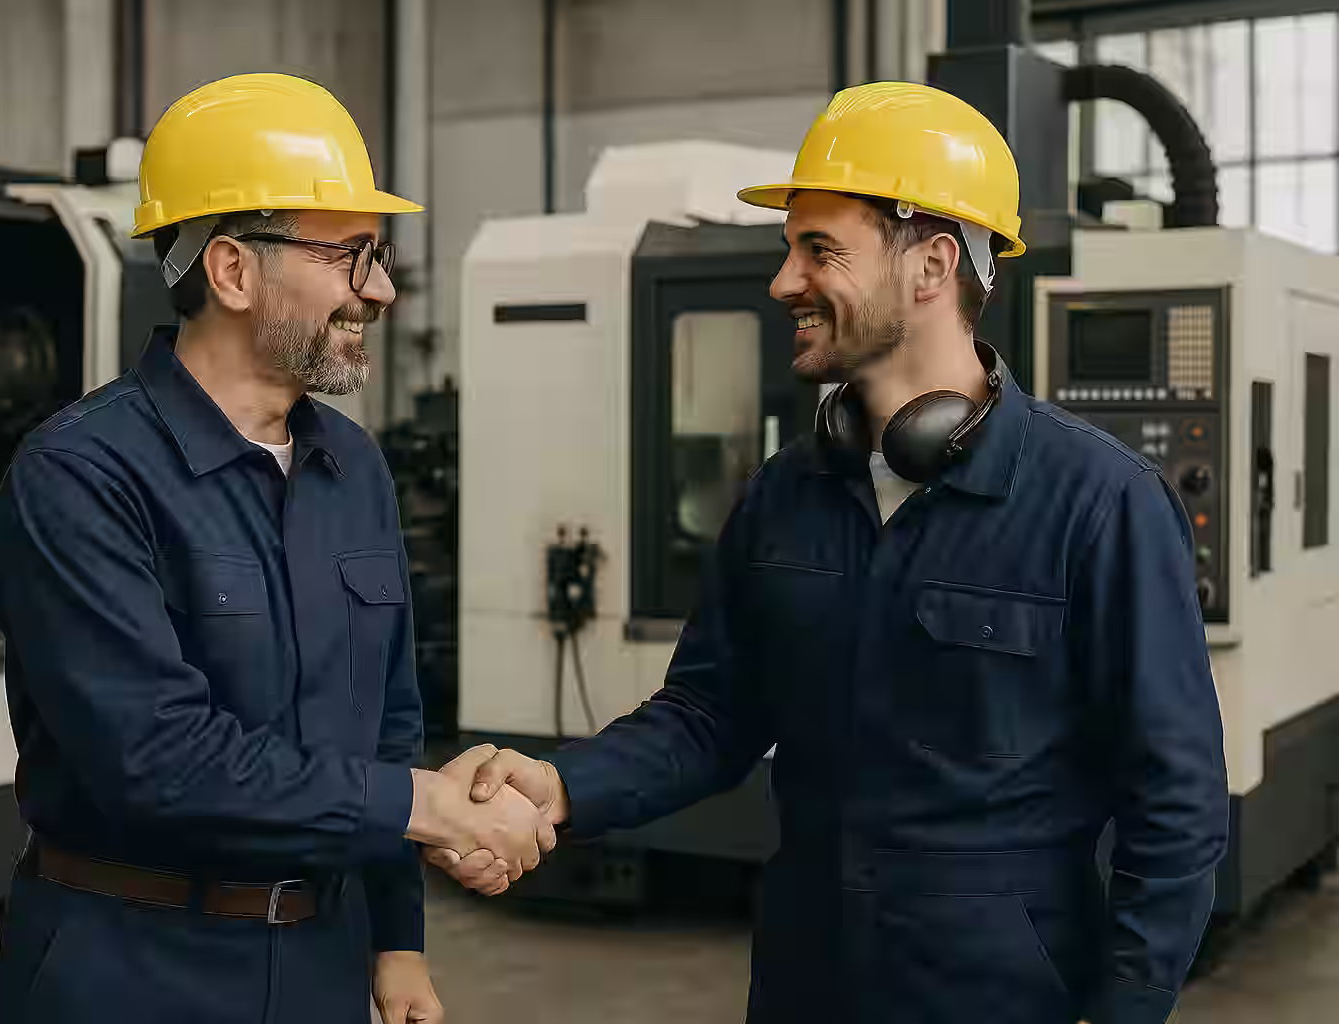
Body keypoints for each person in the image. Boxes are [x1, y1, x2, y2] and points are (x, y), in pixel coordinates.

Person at [432, 81, 1229, 1024]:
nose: (783, 283)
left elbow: (1174, 804)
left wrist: (1125, 1010)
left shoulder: (1100, 506)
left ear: (932, 265)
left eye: (820, 250)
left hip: (1002, 994)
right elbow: (709, 714)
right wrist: (562, 787)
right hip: (808, 979)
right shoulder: (786, 494)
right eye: (789, 249)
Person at [0, 73, 548, 1024]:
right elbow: (159, 758)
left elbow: (388, 725)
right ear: (234, 271)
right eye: (349, 256)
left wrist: (395, 943)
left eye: (379, 255)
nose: (381, 288)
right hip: (130, 967)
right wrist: (428, 807)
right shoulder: (80, 476)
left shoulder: (351, 466)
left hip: (321, 964)